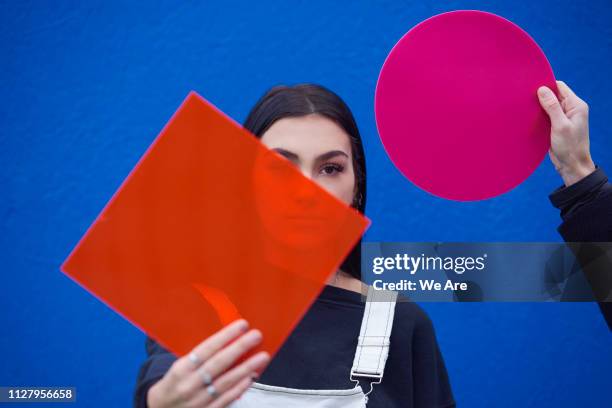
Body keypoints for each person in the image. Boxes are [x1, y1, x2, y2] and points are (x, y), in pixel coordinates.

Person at [134, 82, 611, 408]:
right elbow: (161, 383)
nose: (307, 190)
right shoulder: (198, 303)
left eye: (330, 167)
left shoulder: (402, 325)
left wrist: (581, 176)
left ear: (356, 187)